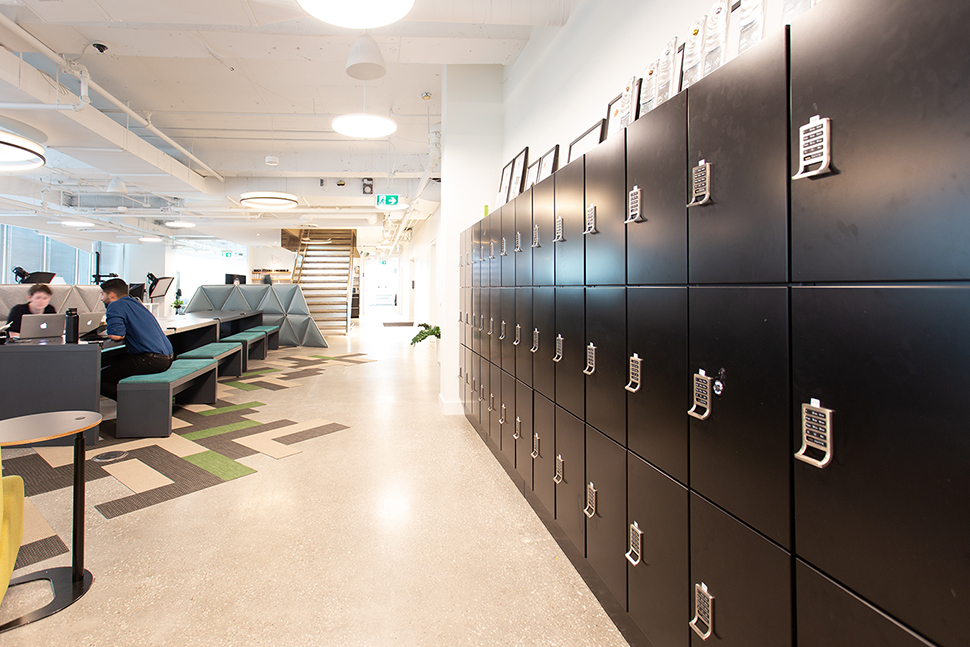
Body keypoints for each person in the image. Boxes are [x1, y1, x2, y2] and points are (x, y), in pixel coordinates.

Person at [99, 278, 173, 400]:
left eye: (102, 294)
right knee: (116, 364)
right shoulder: (135, 303)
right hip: (166, 357)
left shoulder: (115, 305)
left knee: (99, 379)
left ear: (111, 294)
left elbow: (117, 335)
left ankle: (134, 404)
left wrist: (107, 332)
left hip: (151, 359)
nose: (101, 298)